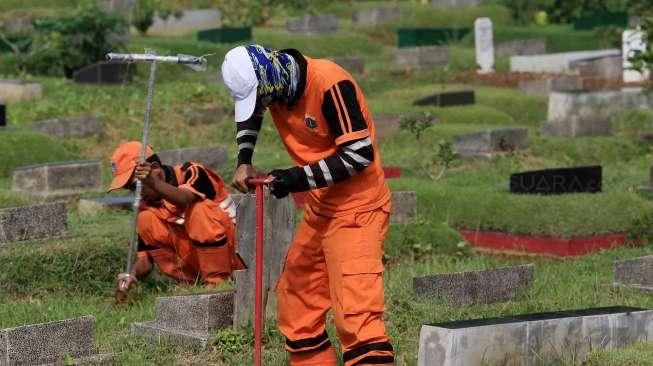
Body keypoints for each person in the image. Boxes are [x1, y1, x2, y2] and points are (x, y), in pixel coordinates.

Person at [221, 45, 394, 366]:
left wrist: (295, 179)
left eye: (261, 99)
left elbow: (359, 154)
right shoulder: (276, 85)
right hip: (321, 207)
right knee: (297, 303)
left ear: (270, 82)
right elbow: (252, 115)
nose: (260, 107)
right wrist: (244, 160)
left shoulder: (330, 83)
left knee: (356, 318)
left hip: (358, 209)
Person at [109, 141, 243, 295]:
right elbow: (146, 259)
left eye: (136, 186)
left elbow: (185, 198)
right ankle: (194, 281)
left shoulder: (192, 172)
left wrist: (153, 183)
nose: (136, 193)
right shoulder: (147, 206)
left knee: (199, 210)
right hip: (200, 267)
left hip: (237, 254)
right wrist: (131, 274)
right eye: (130, 189)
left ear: (155, 169)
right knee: (145, 219)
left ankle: (218, 282)